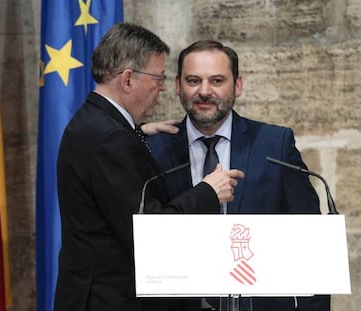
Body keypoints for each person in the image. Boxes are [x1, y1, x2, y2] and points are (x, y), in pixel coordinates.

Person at [54, 24, 244, 311]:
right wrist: (208, 191)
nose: (164, 86)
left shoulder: (97, 122)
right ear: (128, 79)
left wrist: (137, 132)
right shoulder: (110, 139)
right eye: (158, 77)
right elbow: (149, 235)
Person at [147, 40, 330, 311]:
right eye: (194, 81)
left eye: (217, 80)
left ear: (238, 85)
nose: (205, 91)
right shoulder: (154, 149)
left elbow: (311, 246)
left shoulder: (274, 144)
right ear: (177, 86)